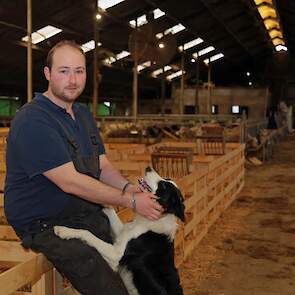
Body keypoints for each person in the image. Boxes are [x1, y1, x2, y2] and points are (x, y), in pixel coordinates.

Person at [4, 40, 162, 295]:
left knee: (139, 267)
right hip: (46, 223)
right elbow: (70, 182)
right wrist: (131, 203)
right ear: (48, 74)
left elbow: (102, 166)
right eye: (64, 71)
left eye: (79, 71)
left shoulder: (82, 114)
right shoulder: (33, 120)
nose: (73, 80)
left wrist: (130, 190)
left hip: (84, 212)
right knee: (111, 289)